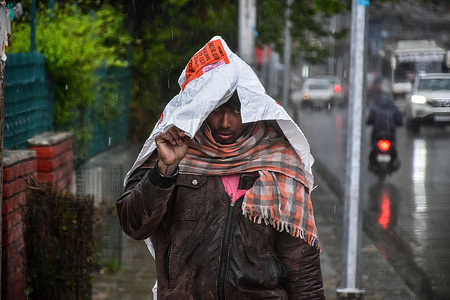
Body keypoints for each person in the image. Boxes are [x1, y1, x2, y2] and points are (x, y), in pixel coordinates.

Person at [117, 36, 325, 299]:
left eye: (237, 111)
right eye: (217, 110)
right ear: (202, 108)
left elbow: (302, 267)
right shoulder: (173, 151)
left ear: (252, 110)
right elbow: (133, 224)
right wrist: (164, 170)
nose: (225, 123)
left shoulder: (279, 163)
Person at [366, 77, 403, 170]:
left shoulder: (375, 107)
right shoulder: (394, 108)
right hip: (389, 135)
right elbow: (400, 122)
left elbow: (369, 120)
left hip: (378, 135)